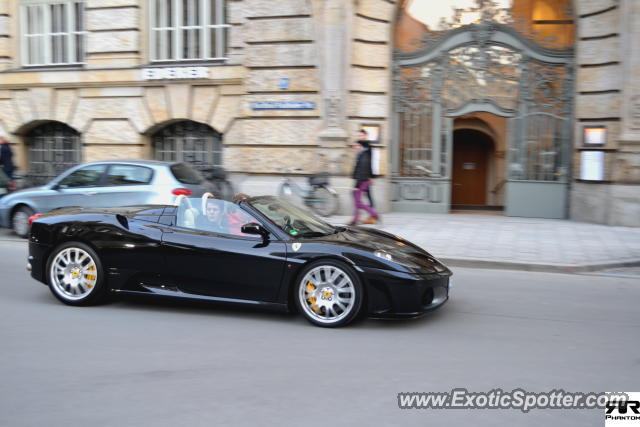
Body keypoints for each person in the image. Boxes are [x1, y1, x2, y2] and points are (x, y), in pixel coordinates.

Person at [349, 135, 379, 226]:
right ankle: (355, 219)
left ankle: (374, 214)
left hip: (362, 181)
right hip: (361, 180)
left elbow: (362, 171)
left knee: (358, 202)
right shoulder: (362, 154)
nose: (354, 147)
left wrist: (356, 185)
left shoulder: (363, 155)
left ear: (360, 146)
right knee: (357, 201)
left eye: (356, 145)